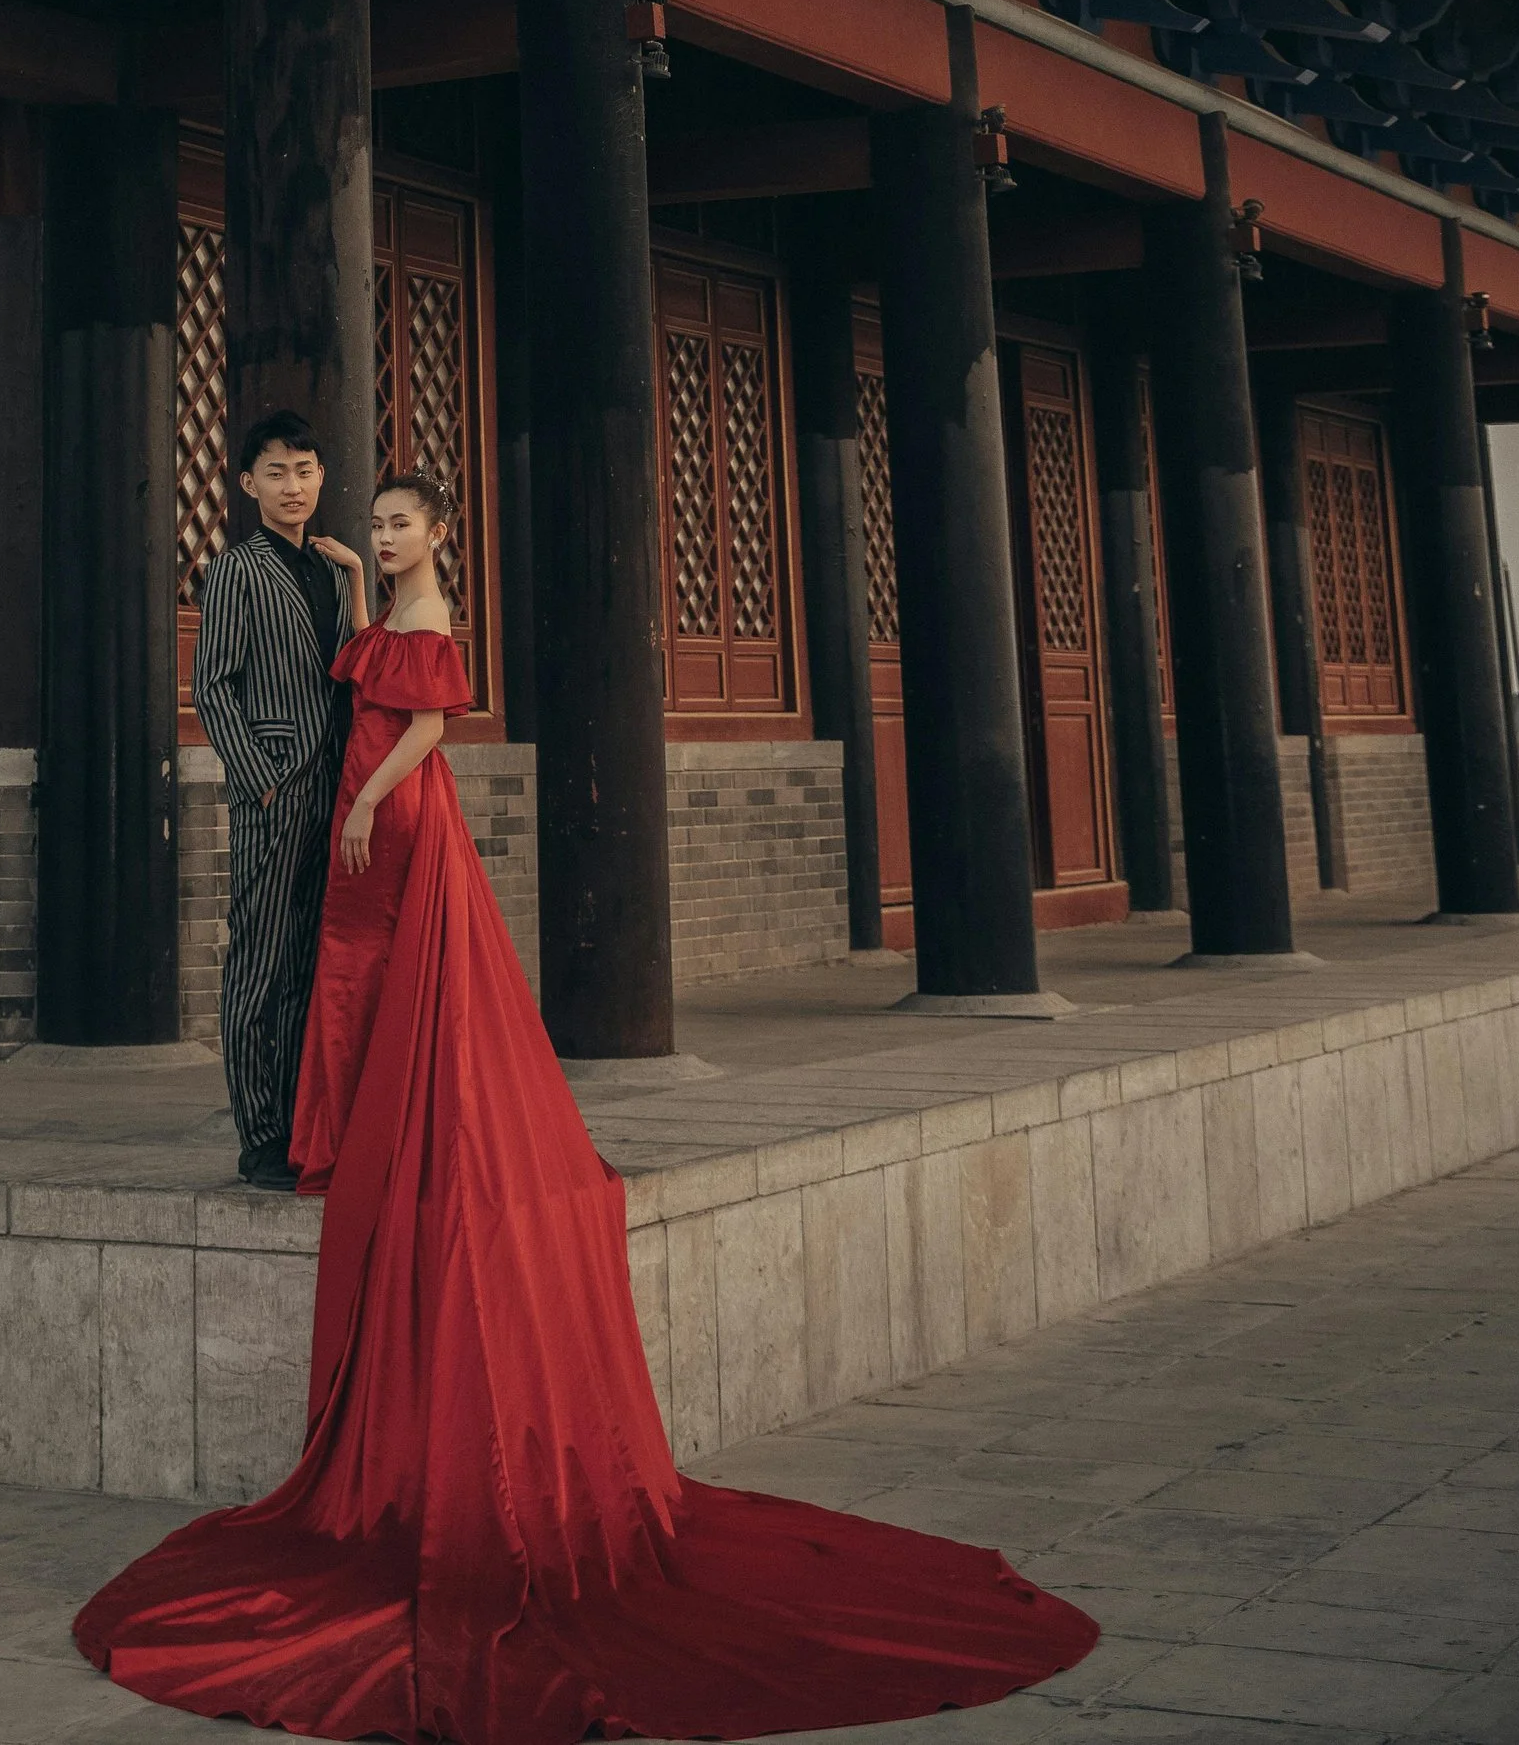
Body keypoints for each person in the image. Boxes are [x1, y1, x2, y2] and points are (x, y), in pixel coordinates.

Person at [79, 471, 1098, 1744]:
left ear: (442, 534)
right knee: (350, 982)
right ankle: (339, 1126)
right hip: (358, 806)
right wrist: (350, 573)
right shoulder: (376, 589)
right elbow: (358, 650)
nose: (388, 534)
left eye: (404, 522)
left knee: (388, 975)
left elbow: (424, 728)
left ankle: (386, 1123)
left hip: (391, 812)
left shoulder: (433, 607)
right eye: (379, 520)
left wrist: (370, 802)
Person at [191, 408, 370, 1191]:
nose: (292, 486)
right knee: (259, 964)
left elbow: (363, 670)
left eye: (303, 471)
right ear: (247, 483)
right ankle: (259, 1132)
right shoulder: (237, 569)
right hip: (275, 791)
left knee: (310, 960)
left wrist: (363, 574)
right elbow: (211, 687)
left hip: (337, 789)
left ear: (321, 476)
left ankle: (305, 1123)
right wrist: (259, 776)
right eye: (275, 472)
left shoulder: (334, 569)